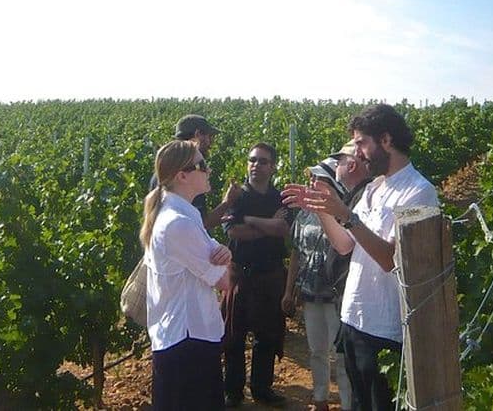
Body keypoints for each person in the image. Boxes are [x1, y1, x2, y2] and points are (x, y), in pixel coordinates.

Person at [282, 104, 439, 411]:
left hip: (384, 329)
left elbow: (391, 260)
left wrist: (346, 215)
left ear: (386, 140)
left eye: (360, 143)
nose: (358, 152)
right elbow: (343, 245)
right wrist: (323, 209)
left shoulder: (418, 192)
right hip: (353, 320)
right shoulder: (374, 188)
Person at [141, 140, 234, 410]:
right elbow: (225, 281)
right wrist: (224, 255)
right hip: (188, 342)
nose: (209, 170)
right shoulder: (178, 224)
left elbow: (220, 267)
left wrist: (223, 254)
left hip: (184, 339)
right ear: (182, 175)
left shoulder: (181, 216)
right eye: (202, 165)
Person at [221, 143, 291, 408]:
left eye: (262, 161)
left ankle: (262, 389)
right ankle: (234, 391)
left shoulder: (280, 198)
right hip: (239, 275)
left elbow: (283, 228)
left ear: (273, 167)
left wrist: (249, 220)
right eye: (252, 160)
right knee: (234, 336)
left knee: (268, 336)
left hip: (270, 275)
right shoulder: (237, 197)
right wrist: (267, 224)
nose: (255, 165)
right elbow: (233, 232)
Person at [282, 157, 352, 411]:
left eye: (318, 179)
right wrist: (289, 291)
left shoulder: (344, 211)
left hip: (336, 298)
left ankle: (347, 404)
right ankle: (320, 399)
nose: (312, 182)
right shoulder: (303, 214)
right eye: (312, 178)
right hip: (311, 293)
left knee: (341, 357)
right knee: (316, 351)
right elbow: (296, 254)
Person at [149, 114, 242, 230]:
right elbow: (200, 225)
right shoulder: (190, 176)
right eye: (210, 136)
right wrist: (227, 202)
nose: (211, 142)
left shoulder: (163, 171)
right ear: (198, 135)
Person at [325, 140, 372, 309]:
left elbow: (346, 245)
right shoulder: (355, 196)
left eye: (340, 160)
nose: (336, 164)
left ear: (352, 166)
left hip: (357, 300)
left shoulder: (365, 197)